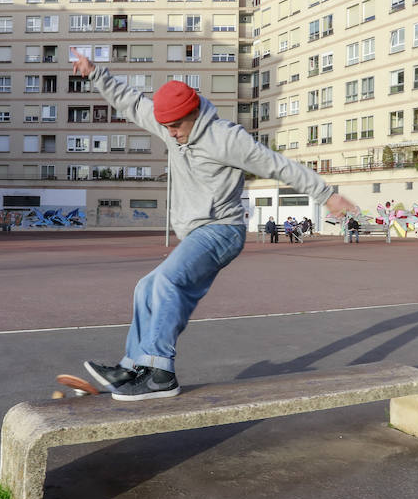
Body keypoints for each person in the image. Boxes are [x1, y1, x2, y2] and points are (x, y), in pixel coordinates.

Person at [72, 54, 358, 401]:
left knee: (166, 282)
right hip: (197, 234)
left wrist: (326, 194)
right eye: (167, 128)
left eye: (177, 127)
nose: (172, 135)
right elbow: (131, 102)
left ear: (194, 114)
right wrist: (94, 74)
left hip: (223, 230)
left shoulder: (227, 139)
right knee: (145, 286)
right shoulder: (168, 124)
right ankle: (133, 365)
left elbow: (277, 165)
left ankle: (160, 372)